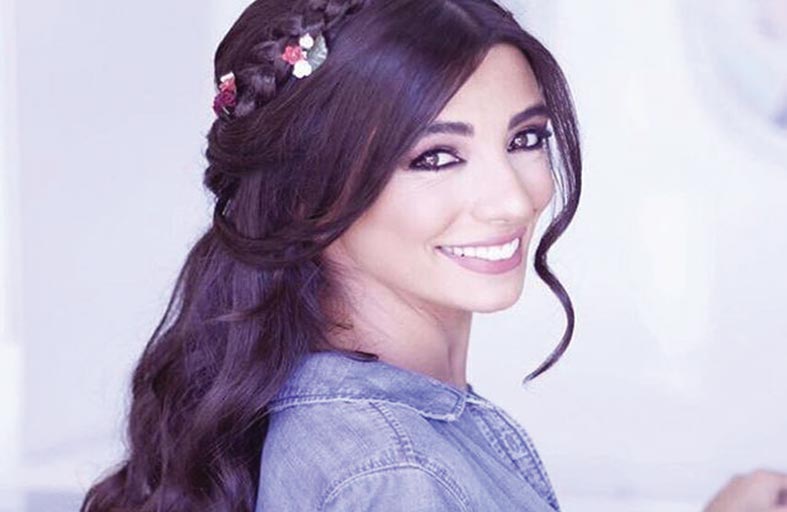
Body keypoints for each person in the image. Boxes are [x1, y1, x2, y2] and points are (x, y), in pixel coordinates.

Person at [79, 0, 786, 510]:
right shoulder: (393, 471)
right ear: (309, 190)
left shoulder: (373, 431)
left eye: (525, 139)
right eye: (436, 157)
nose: (512, 200)